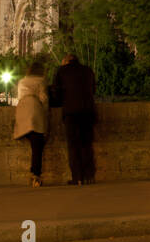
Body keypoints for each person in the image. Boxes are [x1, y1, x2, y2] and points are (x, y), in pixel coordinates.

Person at [51, 52, 96, 184]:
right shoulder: (88, 70)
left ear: (66, 61)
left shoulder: (61, 71)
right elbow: (93, 89)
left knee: (73, 144)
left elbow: (56, 91)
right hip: (88, 111)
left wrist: (61, 102)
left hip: (71, 112)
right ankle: (89, 176)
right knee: (86, 144)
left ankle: (78, 177)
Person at [12, 60, 49, 187]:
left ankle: (34, 173)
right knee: (37, 146)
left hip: (22, 110)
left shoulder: (22, 81)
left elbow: (19, 97)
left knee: (33, 142)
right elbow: (44, 99)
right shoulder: (41, 81)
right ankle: (35, 175)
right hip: (34, 111)